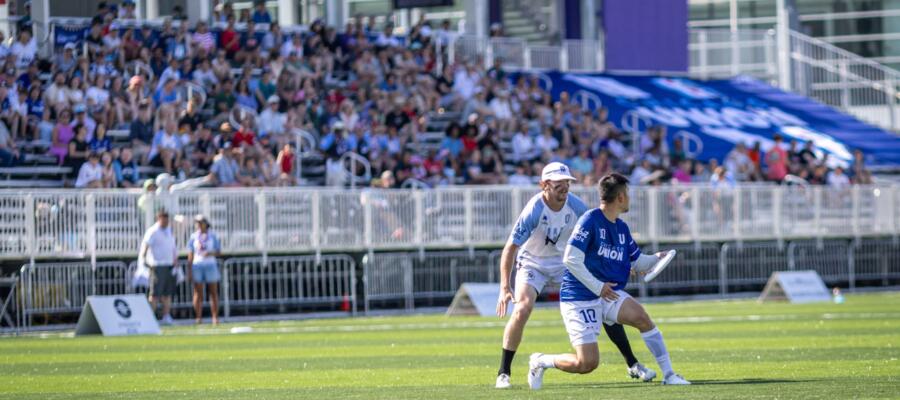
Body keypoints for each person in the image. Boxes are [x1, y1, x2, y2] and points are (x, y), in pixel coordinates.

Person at [494, 163, 655, 389]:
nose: (564, 187)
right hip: (533, 263)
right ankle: (504, 372)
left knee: (603, 299)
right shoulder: (534, 209)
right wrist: (504, 287)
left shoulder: (577, 207)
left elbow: (597, 237)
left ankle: (632, 363)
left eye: (567, 183)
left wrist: (616, 263)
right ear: (544, 185)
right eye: (559, 183)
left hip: (564, 263)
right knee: (522, 308)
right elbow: (510, 248)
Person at [526, 173, 691, 389]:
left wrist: (655, 258)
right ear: (620, 198)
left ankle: (669, 374)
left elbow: (638, 262)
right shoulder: (590, 220)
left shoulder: (621, 227)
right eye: (628, 194)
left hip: (606, 293)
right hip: (579, 297)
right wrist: (598, 287)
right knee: (587, 363)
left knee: (642, 318)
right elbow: (571, 259)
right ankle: (540, 361)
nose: (630, 198)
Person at [139, 209, 178, 325]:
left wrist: (175, 260)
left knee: (167, 293)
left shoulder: (169, 230)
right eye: (164, 219)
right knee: (155, 294)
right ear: (159, 218)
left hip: (169, 265)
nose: (166, 221)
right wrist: (144, 260)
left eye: (167, 219)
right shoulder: (153, 231)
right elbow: (146, 245)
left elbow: (172, 247)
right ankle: (151, 317)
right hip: (157, 265)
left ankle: (166, 316)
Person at [187, 214, 222, 325]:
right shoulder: (193, 236)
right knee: (198, 292)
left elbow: (218, 251)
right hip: (197, 265)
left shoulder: (213, 235)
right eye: (197, 222)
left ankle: (215, 317)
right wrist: (189, 269)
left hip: (210, 265)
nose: (198, 225)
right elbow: (190, 253)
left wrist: (210, 253)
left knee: (213, 292)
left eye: (200, 222)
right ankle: (198, 317)